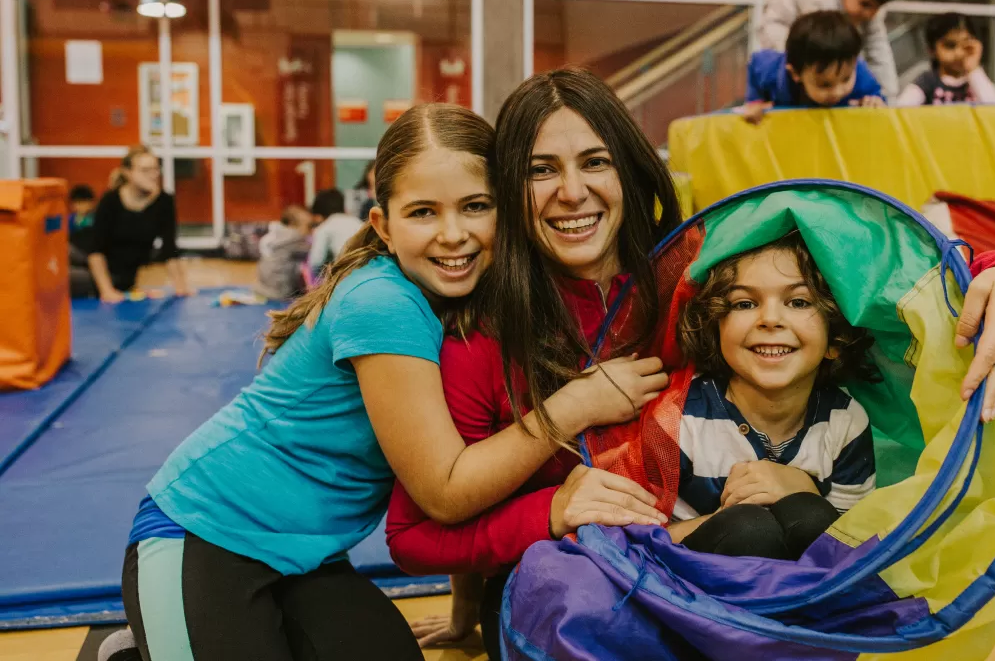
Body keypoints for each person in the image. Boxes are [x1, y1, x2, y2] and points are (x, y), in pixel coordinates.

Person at [385, 68, 995, 658]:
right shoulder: (484, 333)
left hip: (720, 566)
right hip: (576, 586)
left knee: (788, 532)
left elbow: (859, 256)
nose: (571, 191)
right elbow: (416, 534)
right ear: (508, 189)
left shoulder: (694, 276)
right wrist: (553, 509)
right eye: (539, 170)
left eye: (595, 162)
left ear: (631, 170)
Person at [106, 104, 664, 661]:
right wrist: (575, 404)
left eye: (476, 206)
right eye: (423, 212)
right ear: (383, 226)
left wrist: (465, 614)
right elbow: (445, 489)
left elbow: (479, 461)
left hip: (306, 555)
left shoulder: (471, 300)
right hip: (205, 532)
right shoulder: (382, 303)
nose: (453, 235)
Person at [666, 232, 877, 558]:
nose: (770, 319)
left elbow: (856, 544)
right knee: (749, 528)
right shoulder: (680, 418)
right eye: (745, 304)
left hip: (808, 591)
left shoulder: (844, 421)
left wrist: (803, 488)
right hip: (693, 582)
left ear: (835, 339)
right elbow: (636, 537)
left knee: (812, 515)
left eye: (799, 302)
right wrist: (722, 523)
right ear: (716, 329)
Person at [758, 0, 902, 99]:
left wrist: (888, 99)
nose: (871, 14)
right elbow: (823, 55)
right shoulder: (820, 0)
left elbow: (879, 52)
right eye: (865, 4)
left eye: (878, 8)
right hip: (777, 33)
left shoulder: (869, 9)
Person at [85, 145, 192, 303]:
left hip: (121, 275)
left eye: (155, 169)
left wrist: (181, 287)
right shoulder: (110, 201)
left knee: (114, 282)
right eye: (145, 170)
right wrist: (106, 291)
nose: (153, 175)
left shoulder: (164, 201)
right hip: (89, 262)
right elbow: (95, 251)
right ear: (128, 173)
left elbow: (170, 248)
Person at [741, 11, 884, 123]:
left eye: (846, 79)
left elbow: (876, 96)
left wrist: (873, 101)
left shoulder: (855, 70)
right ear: (795, 74)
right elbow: (755, 64)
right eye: (825, 85)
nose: (837, 92)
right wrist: (755, 101)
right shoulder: (774, 71)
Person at [897, 12, 995, 106]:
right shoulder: (927, 82)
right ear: (932, 50)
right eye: (950, 46)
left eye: (966, 46)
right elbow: (900, 111)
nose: (958, 53)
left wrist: (973, 69)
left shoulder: (977, 80)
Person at [253, 204, 312, 301]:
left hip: (264, 286)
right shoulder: (294, 237)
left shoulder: (278, 235)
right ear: (293, 225)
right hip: (281, 291)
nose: (310, 231)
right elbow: (314, 254)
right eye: (308, 226)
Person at [308, 188, 363, 277]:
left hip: (345, 274)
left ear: (318, 215)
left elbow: (316, 262)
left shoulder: (324, 228)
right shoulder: (358, 222)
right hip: (366, 270)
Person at [68, 184, 99, 298]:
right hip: (78, 258)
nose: (80, 207)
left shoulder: (96, 218)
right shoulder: (70, 220)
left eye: (83, 202)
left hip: (90, 256)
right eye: (77, 203)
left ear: (91, 203)